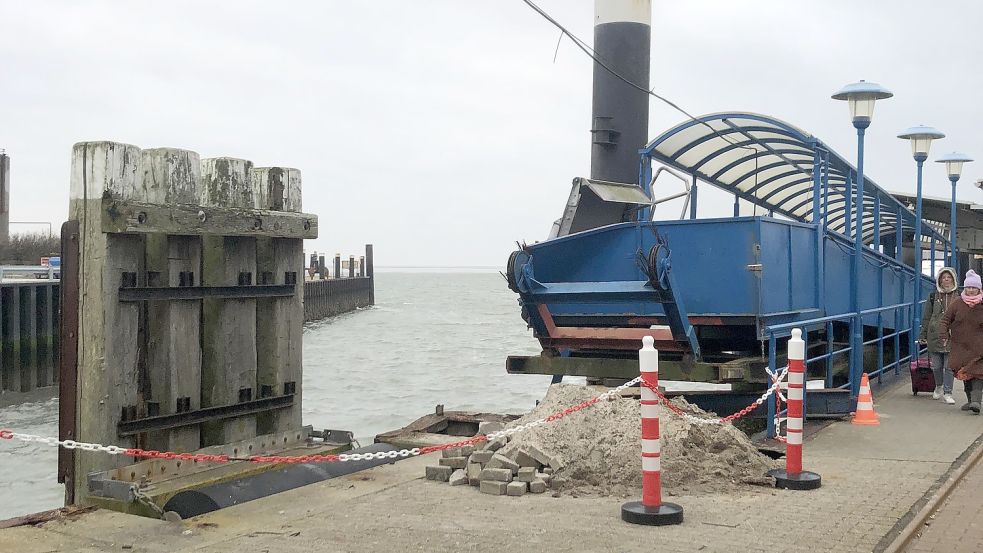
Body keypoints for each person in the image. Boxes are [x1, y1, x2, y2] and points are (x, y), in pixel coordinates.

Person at [939, 269, 983, 414]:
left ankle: (976, 401)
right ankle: (970, 401)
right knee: (964, 373)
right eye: (968, 287)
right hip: (960, 347)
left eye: (974, 287)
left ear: (979, 288)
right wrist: (944, 335)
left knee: (978, 373)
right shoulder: (957, 303)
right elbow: (945, 320)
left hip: (979, 347)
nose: (971, 290)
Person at [918, 267, 960, 404]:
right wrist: (923, 334)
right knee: (936, 366)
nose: (946, 280)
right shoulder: (932, 296)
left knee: (949, 367)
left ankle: (948, 392)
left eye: (949, 277)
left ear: (953, 279)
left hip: (952, 336)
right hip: (935, 335)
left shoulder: (959, 297)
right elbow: (927, 317)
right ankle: (938, 386)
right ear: (940, 280)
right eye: (943, 277)